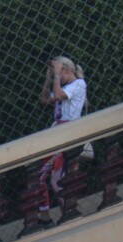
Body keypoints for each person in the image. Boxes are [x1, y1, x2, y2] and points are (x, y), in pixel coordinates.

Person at [36, 56, 87, 226]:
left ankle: (69, 214)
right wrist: (49, 76)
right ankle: (45, 216)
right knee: (41, 176)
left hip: (67, 135)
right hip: (56, 135)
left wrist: (56, 76)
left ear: (67, 71)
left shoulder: (79, 84)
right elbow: (45, 98)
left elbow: (57, 95)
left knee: (57, 181)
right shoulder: (63, 85)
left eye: (60, 72)